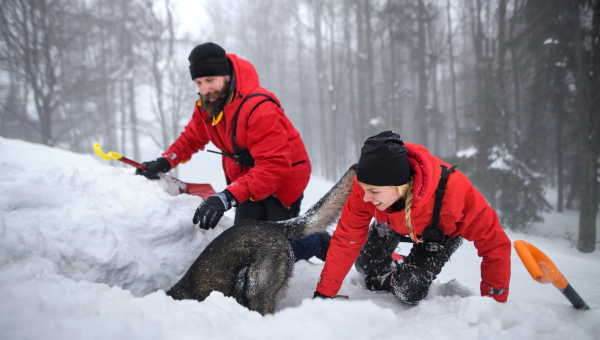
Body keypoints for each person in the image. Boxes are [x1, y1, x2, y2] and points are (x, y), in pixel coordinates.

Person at [136, 42, 328, 261]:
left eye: (210, 80)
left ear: (226, 75)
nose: (204, 89)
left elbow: (274, 165)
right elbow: (191, 137)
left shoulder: (258, 106)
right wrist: (165, 161)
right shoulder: (207, 104)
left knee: (276, 251)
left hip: (283, 177)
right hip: (248, 177)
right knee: (244, 243)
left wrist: (227, 197)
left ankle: (317, 241)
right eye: (199, 82)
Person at [313, 131, 511, 304]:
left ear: (399, 184)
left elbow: (495, 244)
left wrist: (493, 304)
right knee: (364, 265)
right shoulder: (366, 189)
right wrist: (325, 292)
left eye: (373, 191)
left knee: (408, 289)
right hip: (391, 222)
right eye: (363, 190)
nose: (365, 197)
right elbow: (347, 239)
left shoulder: (454, 190)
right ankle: (398, 263)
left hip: (439, 232)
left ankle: (404, 274)